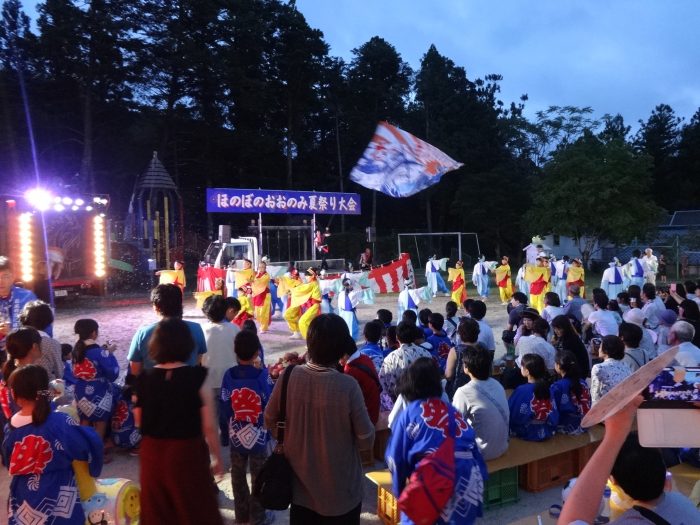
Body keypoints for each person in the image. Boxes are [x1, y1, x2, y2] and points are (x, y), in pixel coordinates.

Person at [264, 314, 374, 524]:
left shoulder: (288, 376)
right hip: (341, 493)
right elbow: (366, 440)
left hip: (299, 489)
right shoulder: (348, 386)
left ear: (309, 342)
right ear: (342, 348)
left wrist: (295, 440)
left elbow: (268, 420)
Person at [133, 318, 224, 525]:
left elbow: (138, 421)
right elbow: (209, 425)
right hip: (186, 453)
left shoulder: (144, 379)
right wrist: (216, 457)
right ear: (187, 345)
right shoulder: (197, 377)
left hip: (152, 454)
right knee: (193, 511)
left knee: (157, 514)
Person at [559, 397, 700, 525]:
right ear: (664, 473)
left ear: (612, 481)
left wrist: (614, 435)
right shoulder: (684, 503)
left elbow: (572, 522)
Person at [386, 357, 487, 525]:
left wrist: (400, 491)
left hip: (433, 477)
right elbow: (474, 451)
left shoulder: (410, 412)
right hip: (467, 479)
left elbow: (395, 459)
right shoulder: (452, 412)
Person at [2, 364, 104, 525]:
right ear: (43, 390)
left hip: (23, 492)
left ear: (14, 395)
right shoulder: (60, 422)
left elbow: (9, 462)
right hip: (59, 488)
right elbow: (86, 445)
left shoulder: (10, 429)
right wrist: (93, 467)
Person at [220, 330, 272, 525]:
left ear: (235, 351)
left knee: (238, 476)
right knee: (259, 477)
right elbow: (270, 404)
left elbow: (225, 407)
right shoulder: (262, 376)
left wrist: (225, 433)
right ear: (256, 352)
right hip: (258, 437)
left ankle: (241, 516)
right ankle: (258, 517)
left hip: (236, 436)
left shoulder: (229, 375)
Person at [128, 283, 208, 376]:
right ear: (180, 304)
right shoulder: (197, 329)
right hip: (187, 387)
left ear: (156, 307)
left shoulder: (143, 333)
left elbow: (135, 371)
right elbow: (197, 362)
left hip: (153, 388)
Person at [452, 345, 509, 460]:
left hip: (481, 453)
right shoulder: (497, 384)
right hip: (503, 447)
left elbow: (453, 426)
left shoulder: (463, 392)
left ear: (466, 368)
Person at [72, 318, 119, 450]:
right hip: (99, 390)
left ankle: (83, 450)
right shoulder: (99, 352)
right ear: (94, 333)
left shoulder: (76, 350)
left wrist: (105, 352)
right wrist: (109, 354)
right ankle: (97, 453)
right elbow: (113, 373)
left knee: (85, 419)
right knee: (100, 421)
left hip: (80, 390)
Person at [380, 321, 435, 407]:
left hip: (400, 404)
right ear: (415, 336)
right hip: (425, 403)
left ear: (397, 337)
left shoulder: (391, 358)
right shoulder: (426, 354)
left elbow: (384, 385)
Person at [201, 294, 240, 413]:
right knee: (228, 416)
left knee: (210, 417)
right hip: (230, 379)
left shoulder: (201, 329)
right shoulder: (235, 329)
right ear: (225, 310)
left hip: (208, 381)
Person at [508, 353, 559, 441]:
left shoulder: (521, 390)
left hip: (526, 433)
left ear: (527, 371)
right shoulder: (548, 389)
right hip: (546, 430)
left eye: (522, 366)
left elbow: (513, 413)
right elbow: (554, 413)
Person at [1, 328, 42, 429]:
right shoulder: (30, 374)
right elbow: (41, 397)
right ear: (35, 347)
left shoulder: (8, 370)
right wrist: (55, 392)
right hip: (29, 427)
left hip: (10, 425)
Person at [0, 256, 38, 351]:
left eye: (5, 276)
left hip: (21, 351)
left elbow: (37, 329)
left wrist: (13, 332)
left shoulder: (26, 297)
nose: (1, 281)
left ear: (13, 277)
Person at [19, 299, 63, 380]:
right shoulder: (51, 343)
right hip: (44, 388)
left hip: (19, 388)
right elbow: (59, 373)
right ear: (49, 320)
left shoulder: (16, 339)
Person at [341, 336, 381, 426]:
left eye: (338, 356)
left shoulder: (350, 371)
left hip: (366, 419)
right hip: (375, 410)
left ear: (345, 354)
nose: (337, 360)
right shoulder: (365, 357)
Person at [550, 351, 591, 435]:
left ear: (558, 366)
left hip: (565, 428)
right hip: (584, 426)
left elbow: (552, 410)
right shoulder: (583, 383)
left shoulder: (557, 386)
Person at [590, 335, 632, 405]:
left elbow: (595, 395)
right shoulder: (625, 365)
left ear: (606, 349)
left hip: (606, 409)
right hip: (622, 406)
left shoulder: (598, 368)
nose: (599, 349)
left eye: (600, 346)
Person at [251, 261, 272, 333]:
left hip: (265, 295)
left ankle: (264, 327)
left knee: (263, 313)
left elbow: (259, 282)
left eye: (263, 267)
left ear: (265, 268)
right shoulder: (256, 275)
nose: (261, 268)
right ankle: (264, 325)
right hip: (258, 296)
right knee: (257, 313)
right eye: (259, 267)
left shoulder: (266, 275)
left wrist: (252, 280)